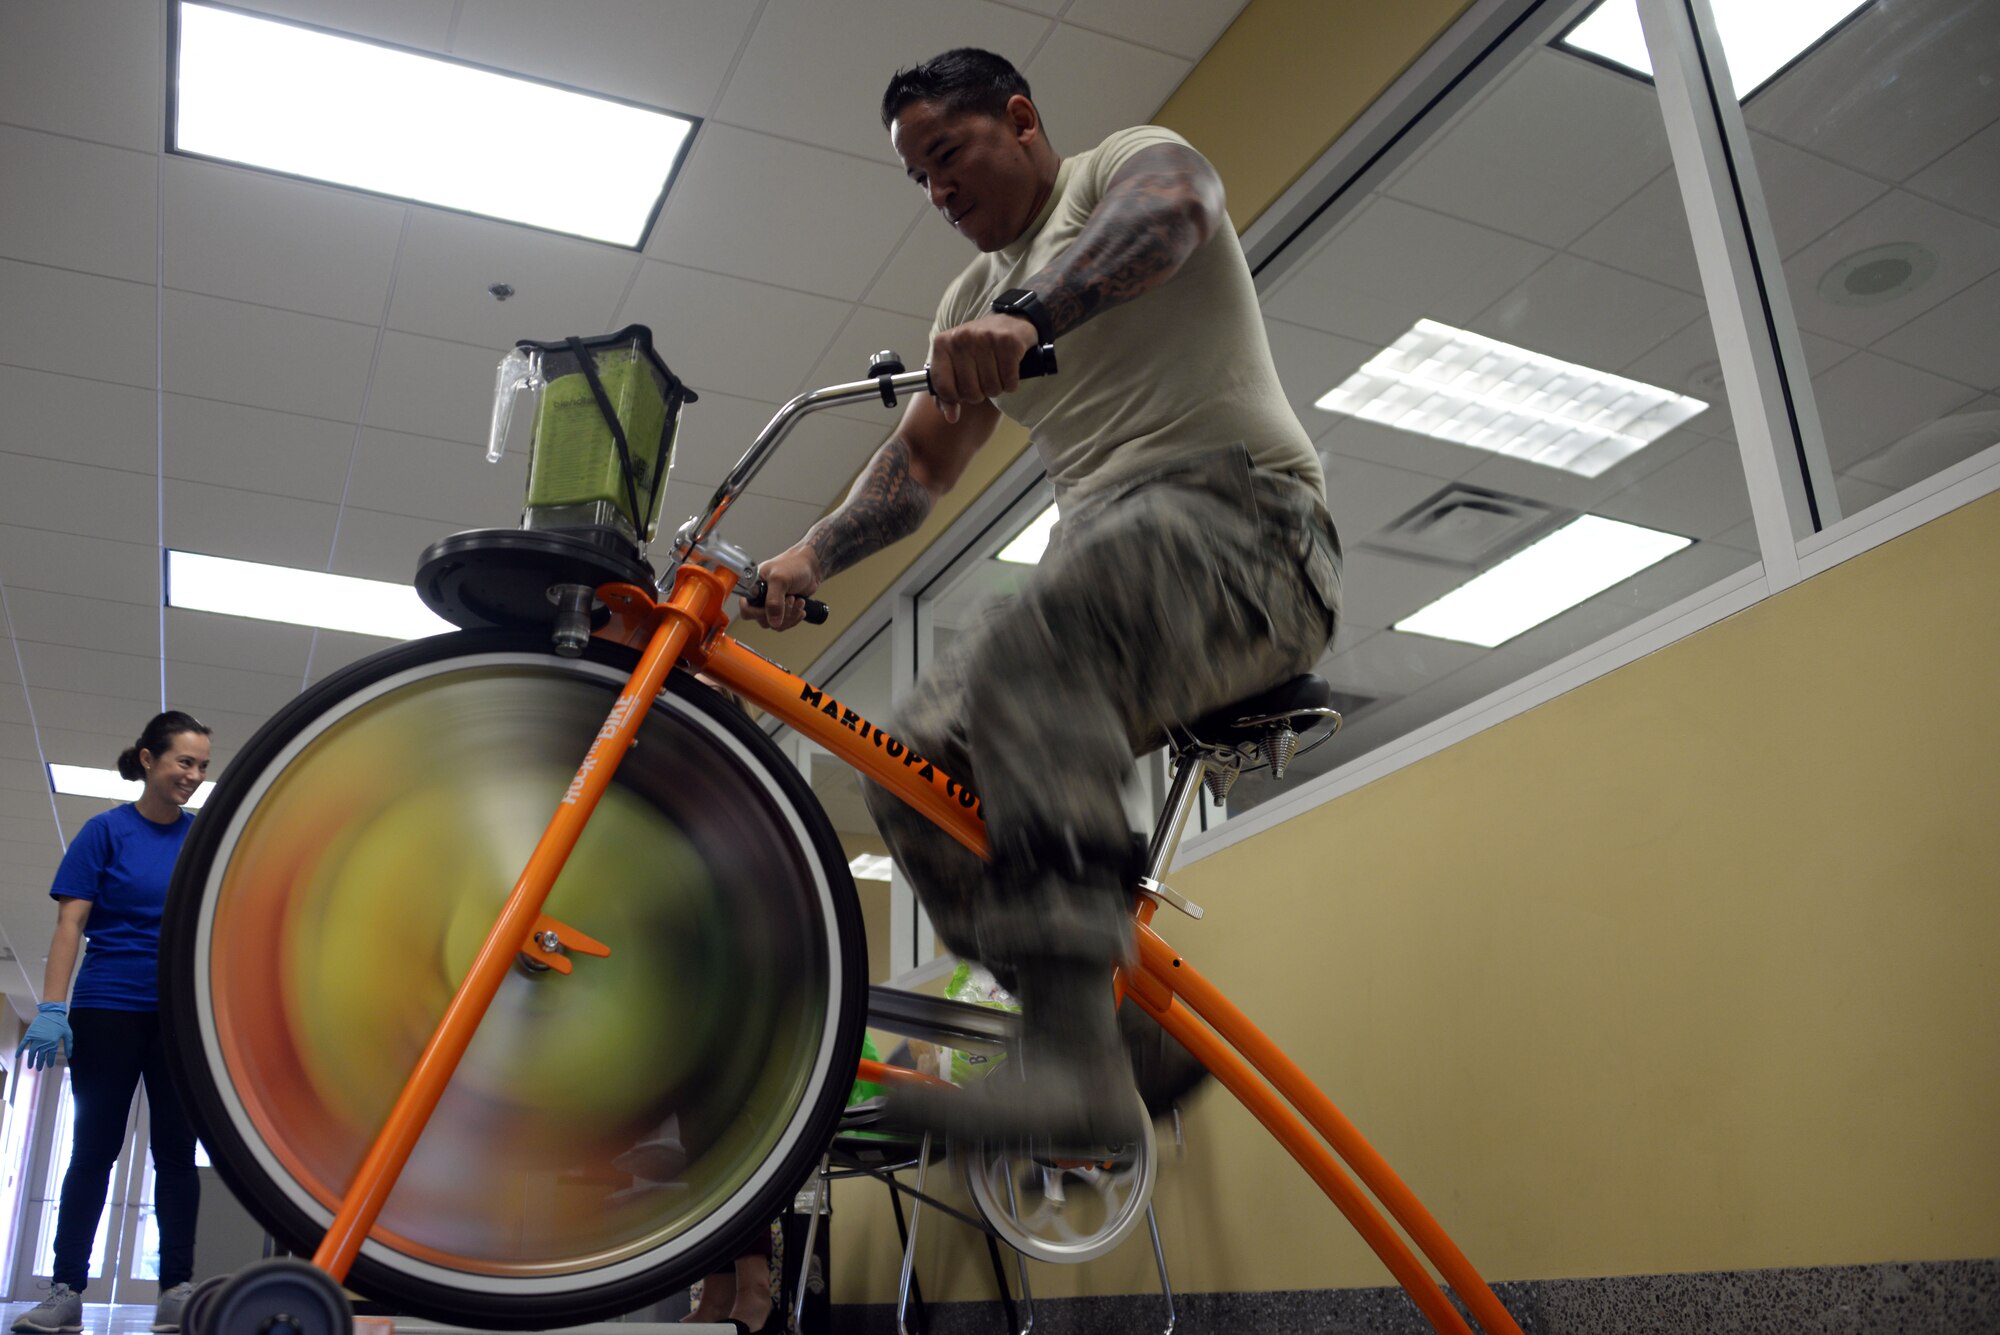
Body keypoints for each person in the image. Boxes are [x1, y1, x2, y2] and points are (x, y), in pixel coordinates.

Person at [744, 49, 1341, 1152]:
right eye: (916, 179)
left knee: (1028, 652)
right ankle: (1119, 1041)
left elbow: (1170, 216)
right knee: (908, 760)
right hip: (1118, 574)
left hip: (1253, 535)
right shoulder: (966, 302)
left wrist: (1033, 313)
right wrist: (808, 558)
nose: (937, 192)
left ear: (1018, 121)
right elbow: (918, 465)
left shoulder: (1127, 170)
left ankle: (1070, 1064)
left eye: (947, 155)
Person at [12, 713, 212, 1334]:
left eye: (203, 766)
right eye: (184, 762)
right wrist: (52, 1007)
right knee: (94, 1149)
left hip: (178, 1015)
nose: (194, 776)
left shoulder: (203, 836)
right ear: (149, 759)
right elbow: (70, 923)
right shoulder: (105, 832)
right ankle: (66, 1290)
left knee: (176, 1152)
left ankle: (176, 1290)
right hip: (108, 1007)